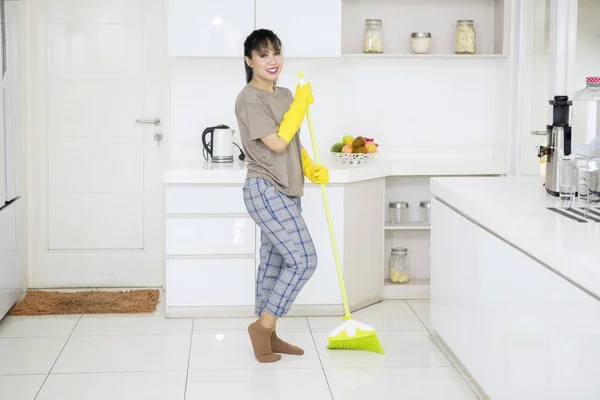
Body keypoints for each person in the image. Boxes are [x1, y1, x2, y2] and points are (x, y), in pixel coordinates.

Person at [235, 29, 329, 363]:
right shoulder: (249, 98)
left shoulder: (286, 94)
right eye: (263, 55)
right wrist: (300, 108)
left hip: (289, 187)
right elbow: (275, 143)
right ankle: (262, 328)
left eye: (276, 52)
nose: (272, 60)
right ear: (249, 61)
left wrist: (310, 167)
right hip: (264, 187)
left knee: (274, 264)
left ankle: (269, 337)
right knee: (304, 260)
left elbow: (291, 144)